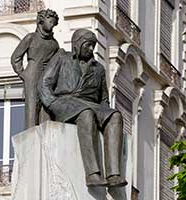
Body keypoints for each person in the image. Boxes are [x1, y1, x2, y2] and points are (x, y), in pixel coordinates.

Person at [38, 28, 127, 187]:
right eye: (87, 45)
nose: (91, 49)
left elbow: (104, 98)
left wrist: (104, 117)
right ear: (77, 44)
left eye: (93, 45)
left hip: (91, 103)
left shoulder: (98, 68)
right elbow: (44, 83)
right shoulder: (61, 58)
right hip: (64, 101)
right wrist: (52, 104)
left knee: (115, 115)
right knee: (86, 114)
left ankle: (114, 174)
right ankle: (92, 174)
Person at [11, 9, 59, 128]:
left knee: (46, 107)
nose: (52, 24)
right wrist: (23, 74)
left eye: (54, 22)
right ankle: (30, 138)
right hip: (32, 74)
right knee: (32, 108)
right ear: (41, 21)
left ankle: (46, 137)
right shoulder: (31, 38)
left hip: (47, 77)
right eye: (50, 21)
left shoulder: (54, 44)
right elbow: (15, 58)